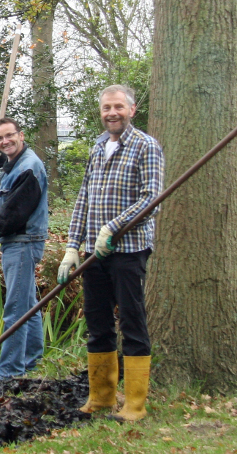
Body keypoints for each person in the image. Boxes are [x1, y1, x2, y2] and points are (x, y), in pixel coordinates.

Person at [57, 85, 164, 422]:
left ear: (131, 110)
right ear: (101, 112)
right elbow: (84, 198)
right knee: (98, 322)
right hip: (93, 254)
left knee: (132, 322)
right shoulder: (98, 147)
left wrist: (112, 229)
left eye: (118, 106)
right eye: (106, 108)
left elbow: (151, 199)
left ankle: (134, 403)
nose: (112, 113)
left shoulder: (146, 146)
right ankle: (101, 397)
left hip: (128, 251)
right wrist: (73, 246)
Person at [0, 117, 49, 380]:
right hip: (19, 243)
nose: (5, 141)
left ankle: (8, 377)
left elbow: (14, 215)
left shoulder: (29, 168)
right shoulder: (14, 165)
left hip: (23, 243)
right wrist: (0, 166)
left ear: (21, 135)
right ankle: (33, 367)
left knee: (16, 311)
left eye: (9, 136)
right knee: (28, 306)